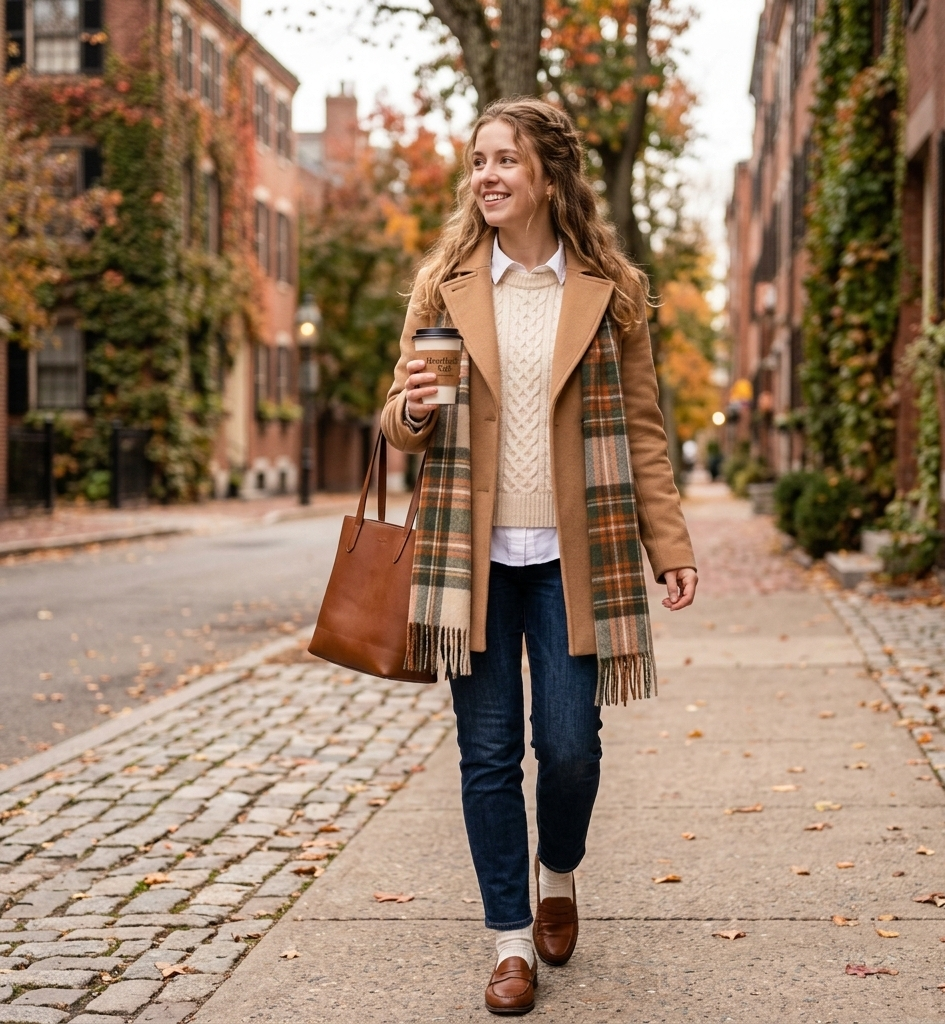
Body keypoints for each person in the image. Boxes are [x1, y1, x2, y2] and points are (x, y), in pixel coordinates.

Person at [381, 97, 697, 1016]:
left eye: (505, 160)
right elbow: (401, 425)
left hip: (571, 553)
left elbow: (642, 432)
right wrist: (408, 409)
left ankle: (558, 872)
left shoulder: (607, 290)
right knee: (486, 758)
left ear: (548, 178)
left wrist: (666, 546)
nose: (486, 175)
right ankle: (510, 941)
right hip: (467, 558)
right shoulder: (444, 286)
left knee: (567, 749)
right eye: (477, 160)